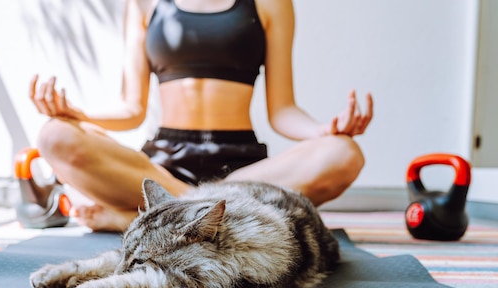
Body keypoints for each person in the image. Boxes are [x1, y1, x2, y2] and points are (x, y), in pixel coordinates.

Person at [29, 0, 373, 232]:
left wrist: (324, 130)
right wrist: (76, 114)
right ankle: (206, 214)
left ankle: (151, 216)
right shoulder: (143, 3)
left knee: (344, 154)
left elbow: (282, 110)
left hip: (243, 170)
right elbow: (131, 109)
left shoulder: (272, 3)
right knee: (54, 136)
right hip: (162, 168)